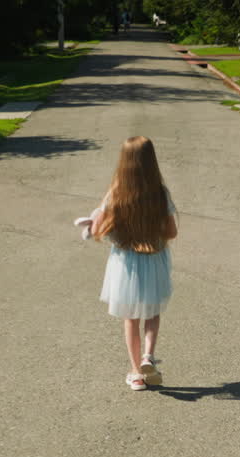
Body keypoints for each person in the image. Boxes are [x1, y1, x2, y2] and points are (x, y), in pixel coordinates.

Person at [75, 137, 178, 391]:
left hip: (126, 263)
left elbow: (98, 229)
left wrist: (96, 224)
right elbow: (172, 232)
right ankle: (148, 357)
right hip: (154, 258)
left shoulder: (116, 192)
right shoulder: (160, 193)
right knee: (152, 313)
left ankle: (135, 374)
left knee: (130, 318)